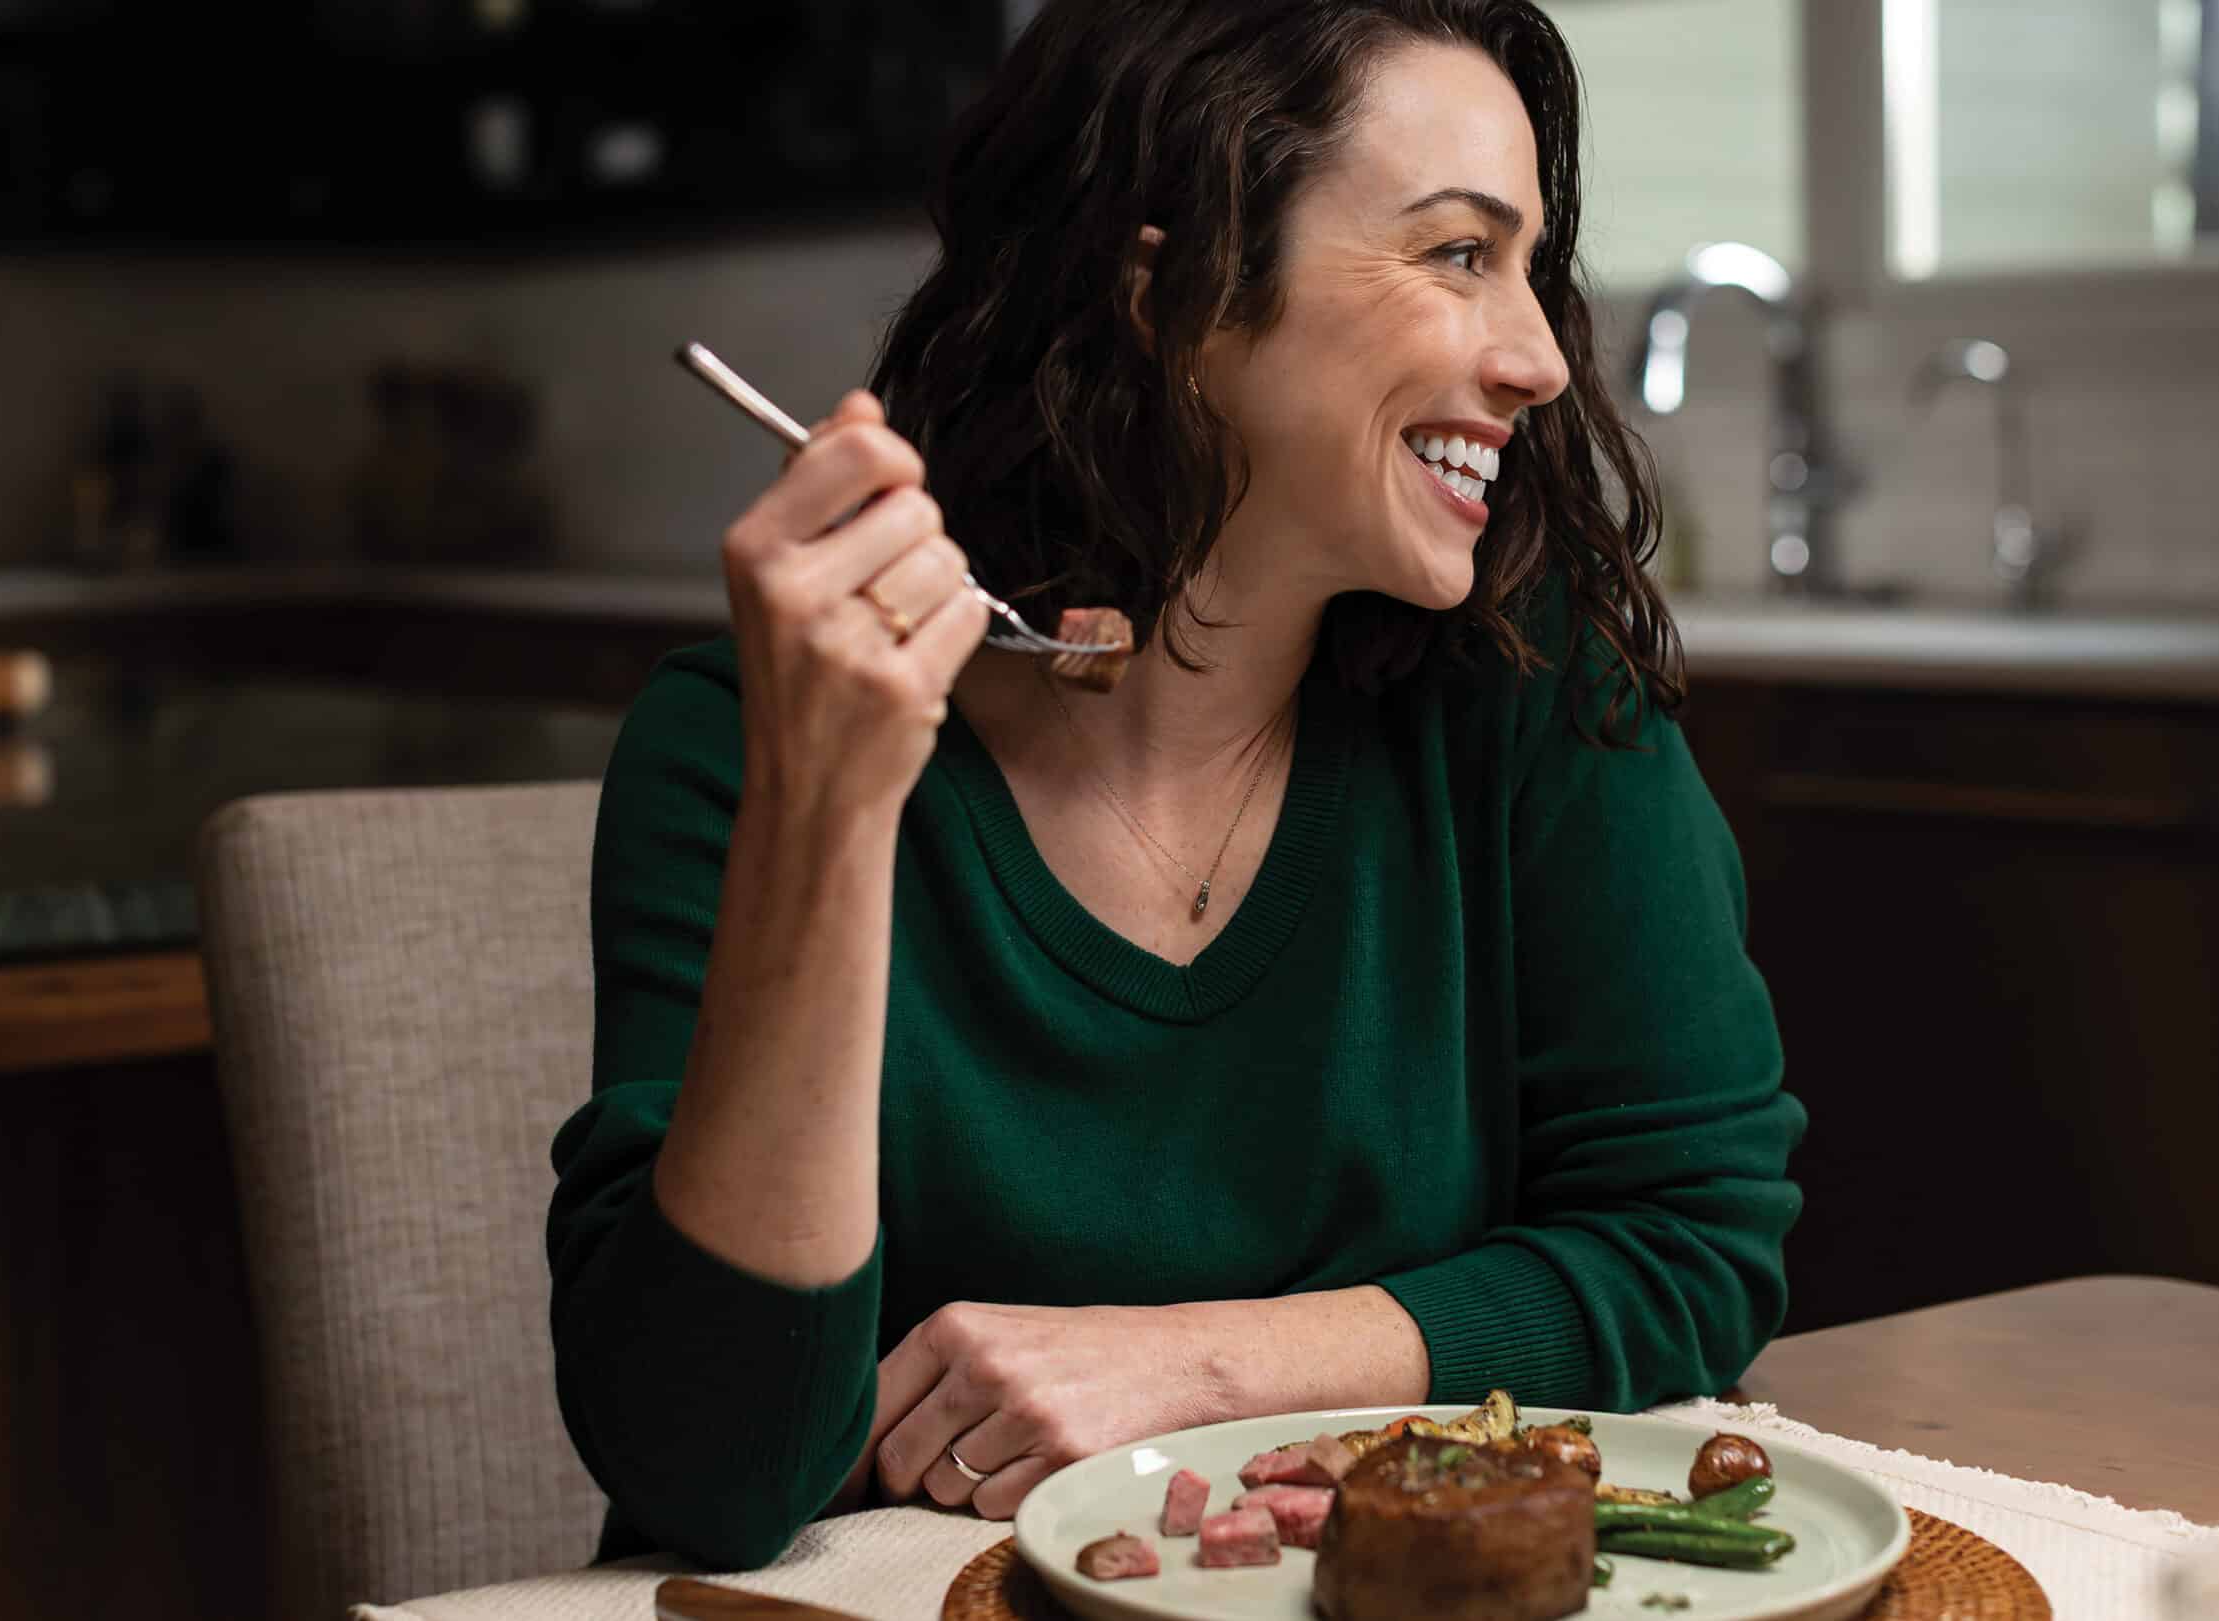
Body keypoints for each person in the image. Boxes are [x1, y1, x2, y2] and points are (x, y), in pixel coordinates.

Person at [548, 0, 1805, 1571]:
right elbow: (710, 1471)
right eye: (1456, 255)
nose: (1540, 356)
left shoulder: (1530, 681)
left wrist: (1193, 1364)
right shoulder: (750, 741)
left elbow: (1690, 1246)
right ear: (1171, 291)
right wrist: (831, 812)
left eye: (1531, 266)